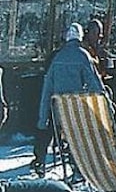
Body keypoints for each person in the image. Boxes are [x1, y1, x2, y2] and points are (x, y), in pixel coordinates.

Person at [34, 23, 108, 174]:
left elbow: (47, 90)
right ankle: (78, 166)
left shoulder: (57, 58)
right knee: (81, 132)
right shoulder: (83, 56)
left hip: (57, 113)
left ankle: (39, 160)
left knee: (51, 130)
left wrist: (42, 120)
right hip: (76, 112)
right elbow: (95, 85)